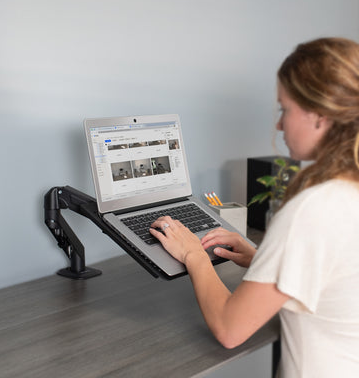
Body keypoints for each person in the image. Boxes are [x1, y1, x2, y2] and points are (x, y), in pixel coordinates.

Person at [150, 37, 359, 377]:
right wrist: (262, 259)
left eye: (284, 109)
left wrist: (194, 256)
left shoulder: (314, 208)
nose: (279, 124)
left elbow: (230, 329)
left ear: (319, 115)